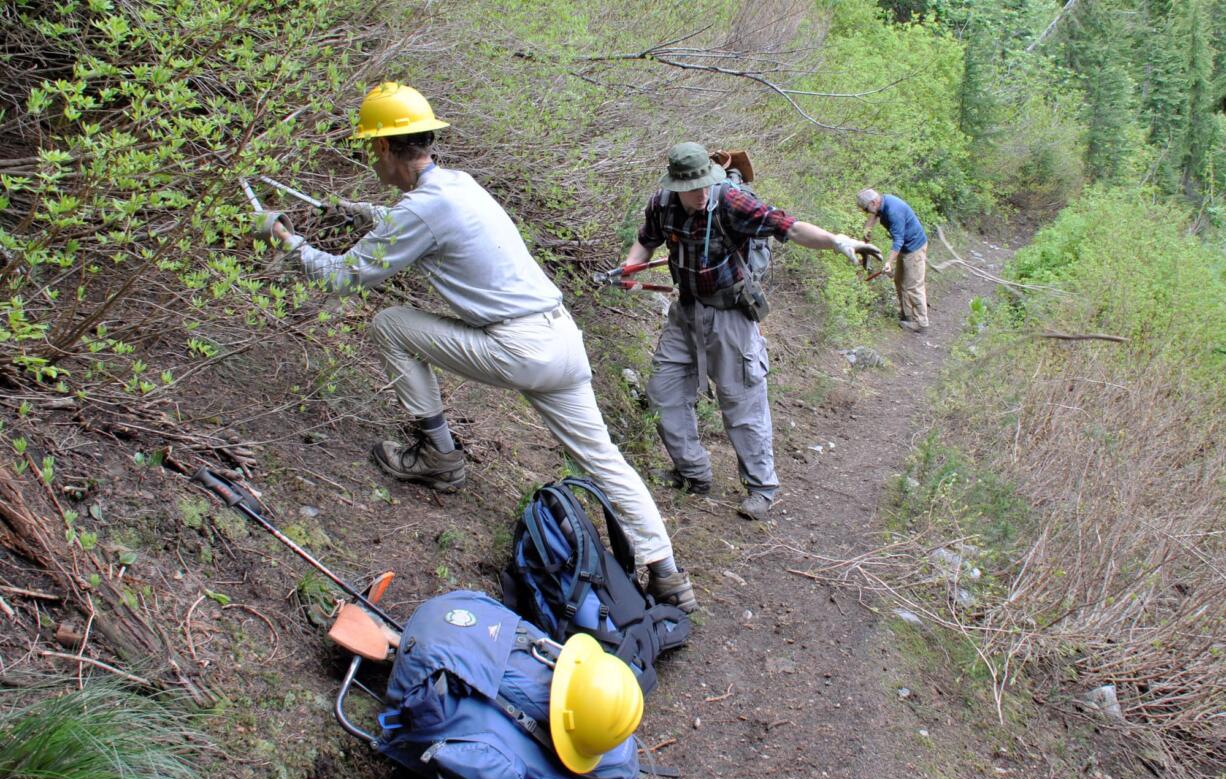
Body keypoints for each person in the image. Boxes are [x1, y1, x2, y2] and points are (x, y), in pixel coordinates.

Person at [258, 83, 695, 612]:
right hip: (561, 339)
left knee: (392, 324)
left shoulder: (421, 209)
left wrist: (285, 238)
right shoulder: (458, 184)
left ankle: (439, 456)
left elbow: (340, 277)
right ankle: (667, 574)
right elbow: (423, 223)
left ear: (381, 148)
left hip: (519, 348)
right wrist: (364, 213)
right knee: (603, 459)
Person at [622, 143, 880, 521]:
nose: (700, 193)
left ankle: (761, 488)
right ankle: (693, 473)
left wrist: (838, 240)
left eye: (705, 184)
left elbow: (788, 227)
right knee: (663, 394)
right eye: (691, 187)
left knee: (742, 405)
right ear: (674, 185)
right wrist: (630, 267)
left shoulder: (731, 201)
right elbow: (646, 241)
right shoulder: (662, 204)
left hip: (731, 317)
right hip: (685, 313)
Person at [857, 188, 929, 332]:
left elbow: (898, 241)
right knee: (900, 281)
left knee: (913, 285)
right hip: (905, 248)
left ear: (873, 202)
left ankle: (921, 323)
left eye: (866, 209)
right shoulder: (881, 203)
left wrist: (889, 262)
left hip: (914, 247)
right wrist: (867, 232)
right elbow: (874, 215)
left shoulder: (893, 212)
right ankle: (907, 316)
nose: (867, 212)